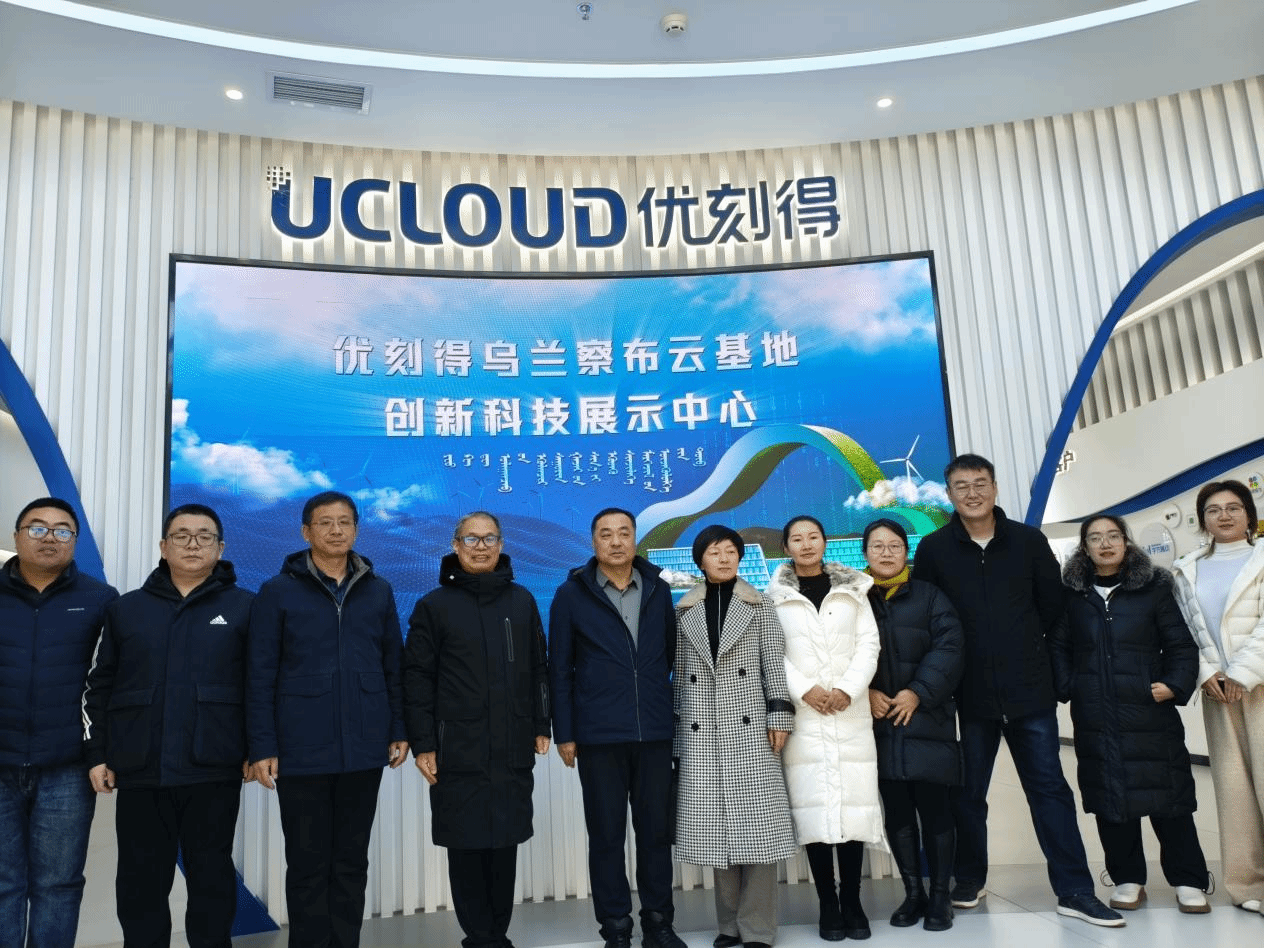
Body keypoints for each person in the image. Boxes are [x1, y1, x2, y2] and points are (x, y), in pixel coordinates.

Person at [912, 454, 1123, 927]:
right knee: (968, 794)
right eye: (961, 486)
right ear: (949, 494)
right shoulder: (934, 549)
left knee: (1049, 791)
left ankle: (1075, 891)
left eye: (980, 483)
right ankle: (969, 878)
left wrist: (1028, 653)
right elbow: (928, 619)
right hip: (968, 695)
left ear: (995, 487)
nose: (972, 493)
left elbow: (1052, 609)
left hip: (1029, 691)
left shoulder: (1029, 542)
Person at [83, 503, 256, 946]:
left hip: (214, 766)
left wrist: (257, 749)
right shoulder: (127, 609)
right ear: (163, 546)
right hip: (141, 766)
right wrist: (98, 753)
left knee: (211, 879)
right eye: (181, 535)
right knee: (140, 883)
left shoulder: (246, 608)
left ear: (220, 548)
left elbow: (260, 686)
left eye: (204, 536)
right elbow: (100, 686)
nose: (192, 544)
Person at [247, 490, 408, 948]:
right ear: (306, 532)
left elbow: (393, 664)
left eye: (344, 522)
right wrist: (262, 745)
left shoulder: (379, 590)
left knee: (351, 862)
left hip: (364, 746)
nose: (336, 530)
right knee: (307, 863)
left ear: (356, 529)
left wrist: (398, 728)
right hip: (301, 749)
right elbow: (259, 672)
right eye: (324, 522)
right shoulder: (277, 591)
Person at [403, 512, 551, 948]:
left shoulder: (521, 601)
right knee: (466, 846)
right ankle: (480, 938)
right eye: (471, 539)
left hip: (511, 746)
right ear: (456, 545)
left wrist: (541, 722)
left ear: (501, 546)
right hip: (457, 750)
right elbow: (417, 678)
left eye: (489, 539)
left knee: (505, 844)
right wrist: (424, 743)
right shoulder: (433, 606)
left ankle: (496, 935)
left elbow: (539, 668)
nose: (481, 546)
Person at [1052, 515, 1210, 914]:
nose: (1105, 544)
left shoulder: (1154, 588)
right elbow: (1058, 646)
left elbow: (1181, 644)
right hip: (1095, 713)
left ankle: (1189, 879)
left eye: (1113, 536)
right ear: (1084, 547)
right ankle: (1127, 878)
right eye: (1095, 538)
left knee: (1169, 795)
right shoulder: (1072, 594)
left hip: (1149, 710)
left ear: (1126, 541)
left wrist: (1174, 684)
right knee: (1109, 796)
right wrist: (1070, 685)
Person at [548, 508, 685, 948]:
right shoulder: (571, 595)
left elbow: (667, 655)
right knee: (606, 836)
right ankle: (616, 928)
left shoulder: (659, 590)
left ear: (635, 538)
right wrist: (565, 732)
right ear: (594, 542)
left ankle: (659, 924)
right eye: (606, 534)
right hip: (599, 735)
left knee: (655, 834)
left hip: (654, 733)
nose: (616, 541)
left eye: (624, 533)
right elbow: (559, 669)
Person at [0, 497, 117, 948]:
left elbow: (107, 684)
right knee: (3, 883)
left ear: (75, 540)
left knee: (59, 884)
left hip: (66, 766)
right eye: (37, 528)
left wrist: (100, 751)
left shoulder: (100, 599)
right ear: (16, 536)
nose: (50, 537)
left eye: (62, 530)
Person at [674, 525, 797, 948]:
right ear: (700, 560)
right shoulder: (684, 610)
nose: (724, 558)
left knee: (758, 830)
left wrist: (779, 714)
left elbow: (773, 663)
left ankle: (758, 929)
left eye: (730, 551)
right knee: (717, 830)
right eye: (715, 552)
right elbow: (678, 679)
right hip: (701, 729)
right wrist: (677, 735)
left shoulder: (760, 604)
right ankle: (729, 926)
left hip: (750, 728)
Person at [766, 515, 884, 941]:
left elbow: (869, 643)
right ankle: (828, 905)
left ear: (824, 542)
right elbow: (772, 652)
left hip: (849, 711)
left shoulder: (853, 591)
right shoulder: (773, 599)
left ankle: (852, 901)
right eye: (796, 538)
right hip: (805, 715)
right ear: (786, 547)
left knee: (853, 809)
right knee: (813, 811)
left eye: (813, 536)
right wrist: (805, 690)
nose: (806, 544)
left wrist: (849, 689)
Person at [863, 518, 964, 932]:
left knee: (937, 812)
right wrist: (866, 691)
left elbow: (950, 647)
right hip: (878, 723)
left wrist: (918, 692)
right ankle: (913, 894)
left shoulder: (930, 596)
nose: (886, 553)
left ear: (907, 552)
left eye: (895, 546)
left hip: (927, 718)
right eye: (877, 546)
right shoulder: (855, 599)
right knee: (899, 814)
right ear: (865, 553)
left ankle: (940, 897)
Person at [1171, 479, 1264, 913]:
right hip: (1217, 691)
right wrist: (1207, 672)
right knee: (1233, 790)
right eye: (1213, 510)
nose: (1223, 516)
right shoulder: (1186, 569)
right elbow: (1184, 629)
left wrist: (1241, 673)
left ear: (1249, 514)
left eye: (1233, 507)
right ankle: (1248, 886)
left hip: (1258, 684)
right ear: (1202, 519)